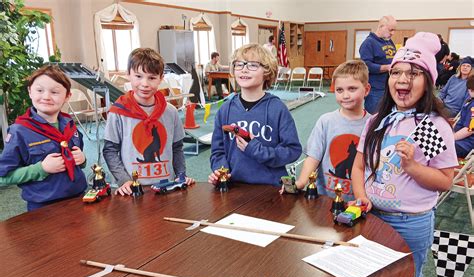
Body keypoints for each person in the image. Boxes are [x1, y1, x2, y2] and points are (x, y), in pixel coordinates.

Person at [351, 32, 458, 277]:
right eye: (396, 72)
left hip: (409, 223)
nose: (402, 79)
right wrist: (361, 195)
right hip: (372, 216)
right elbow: (360, 165)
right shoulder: (378, 120)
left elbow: (445, 181)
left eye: (414, 74)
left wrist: (412, 166)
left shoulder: (431, 126)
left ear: (428, 82)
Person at [103, 48, 194, 196]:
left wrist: (181, 175)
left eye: (151, 78)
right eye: (138, 76)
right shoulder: (118, 112)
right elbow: (110, 150)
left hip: (167, 185)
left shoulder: (170, 112)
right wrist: (124, 180)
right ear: (128, 75)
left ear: (161, 78)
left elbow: (177, 148)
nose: (144, 84)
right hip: (133, 189)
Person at [208, 43, 302, 186]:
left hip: (270, 187)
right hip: (234, 187)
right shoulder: (225, 109)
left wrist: (256, 150)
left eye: (252, 65)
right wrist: (221, 171)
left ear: (267, 72)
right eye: (239, 64)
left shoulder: (277, 109)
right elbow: (218, 151)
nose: (244, 69)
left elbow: (293, 150)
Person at [280, 60, 371, 201]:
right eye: (339, 90)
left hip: (359, 198)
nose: (345, 95)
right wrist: (301, 182)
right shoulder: (326, 121)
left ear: (366, 89)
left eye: (352, 89)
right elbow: (313, 157)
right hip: (324, 197)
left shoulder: (372, 125)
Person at [0, 65, 87, 210]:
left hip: (78, 198)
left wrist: (83, 159)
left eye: (54, 92)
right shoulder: (20, 131)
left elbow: (77, 160)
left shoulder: (70, 125)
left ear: (67, 96)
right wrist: (41, 168)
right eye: (39, 90)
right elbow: (3, 177)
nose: (46, 97)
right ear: (30, 92)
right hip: (43, 207)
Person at [359, 15, 397, 114]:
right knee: (374, 118)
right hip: (375, 90)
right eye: (390, 30)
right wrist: (386, 67)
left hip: (389, 87)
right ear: (381, 26)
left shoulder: (389, 42)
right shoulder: (368, 43)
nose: (393, 33)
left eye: (394, 30)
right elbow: (365, 66)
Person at [453, 75, 474, 158]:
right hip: (461, 139)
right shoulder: (470, 100)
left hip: (466, 144)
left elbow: (470, 130)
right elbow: (461, 120)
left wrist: (450, 138)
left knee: (435, 147)